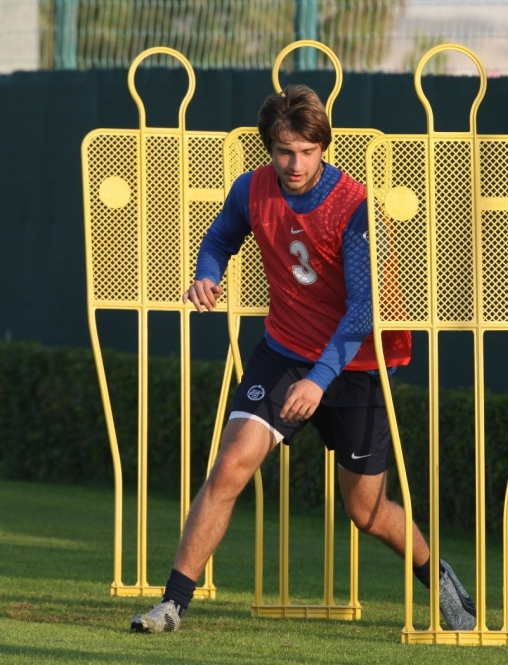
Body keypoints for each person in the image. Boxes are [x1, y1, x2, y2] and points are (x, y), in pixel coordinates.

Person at [131, 84, 476, 634]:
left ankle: (439, 579)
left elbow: (364, 310)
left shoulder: (359, 208)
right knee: (228, 467)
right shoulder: (251, 189)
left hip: (355, 365)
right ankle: (171, 605)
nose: (295, 164)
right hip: (283, 352)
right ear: (270, 147)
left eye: (307, 151)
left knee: (367, 512)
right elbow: (219, 238)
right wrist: (207, 274)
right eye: (284, 151)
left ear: (323, 147)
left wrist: (319, 380)